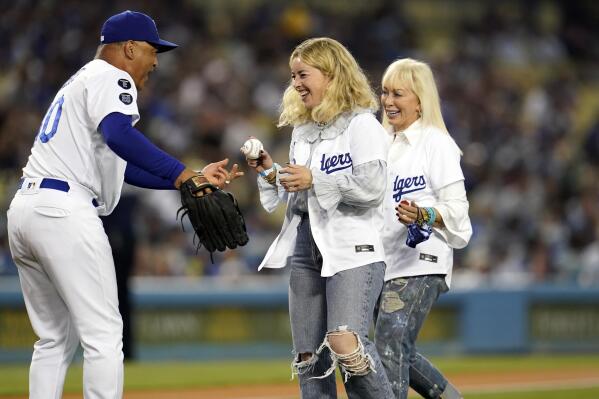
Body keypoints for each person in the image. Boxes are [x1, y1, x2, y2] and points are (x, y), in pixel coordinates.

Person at [6, 10, 239, 399]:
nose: (155, 61)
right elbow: (118, 135)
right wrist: (182, 174)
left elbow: (122, 167)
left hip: (28, 208)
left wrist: (187, 176)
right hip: (64, 211)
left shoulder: (80, 80)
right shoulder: (112, 76)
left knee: (53, 340)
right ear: (129, 48)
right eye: (152, 51)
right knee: (104, 332)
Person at [244, 37, 394, 399]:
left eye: (303, 74)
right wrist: (270, 172)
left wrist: (316, 179)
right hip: (307, 248)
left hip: (353, 248)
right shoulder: (303, 131)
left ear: (331, 74)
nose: (295, 83)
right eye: (293, 75)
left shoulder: (363, 126)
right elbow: (302, 193)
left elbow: (373, 188)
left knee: (345, 343)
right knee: (308, 358)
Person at [374, 58, 472, 399]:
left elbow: (459, 213)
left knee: (390, 343)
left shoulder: (436, 143)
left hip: (421, 259)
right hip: (382, 261)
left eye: (398, 93)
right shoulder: (378, 143)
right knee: (396, 349)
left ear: (420, 101)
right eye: (385, 92)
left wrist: (424, 215)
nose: (388, 101)